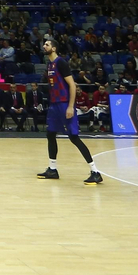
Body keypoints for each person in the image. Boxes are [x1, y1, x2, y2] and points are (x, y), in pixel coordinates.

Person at [37, 39, 100, 184]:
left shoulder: (61, 63)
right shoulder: (49, 64)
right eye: (44, 44)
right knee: (50, 134)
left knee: (74, 137)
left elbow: (72, 85)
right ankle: (52, 169)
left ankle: (95, 171)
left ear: (54, 48)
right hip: (54, 105)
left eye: (46, 44)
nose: (44, 46)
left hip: (64, 104)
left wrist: (71, 106)